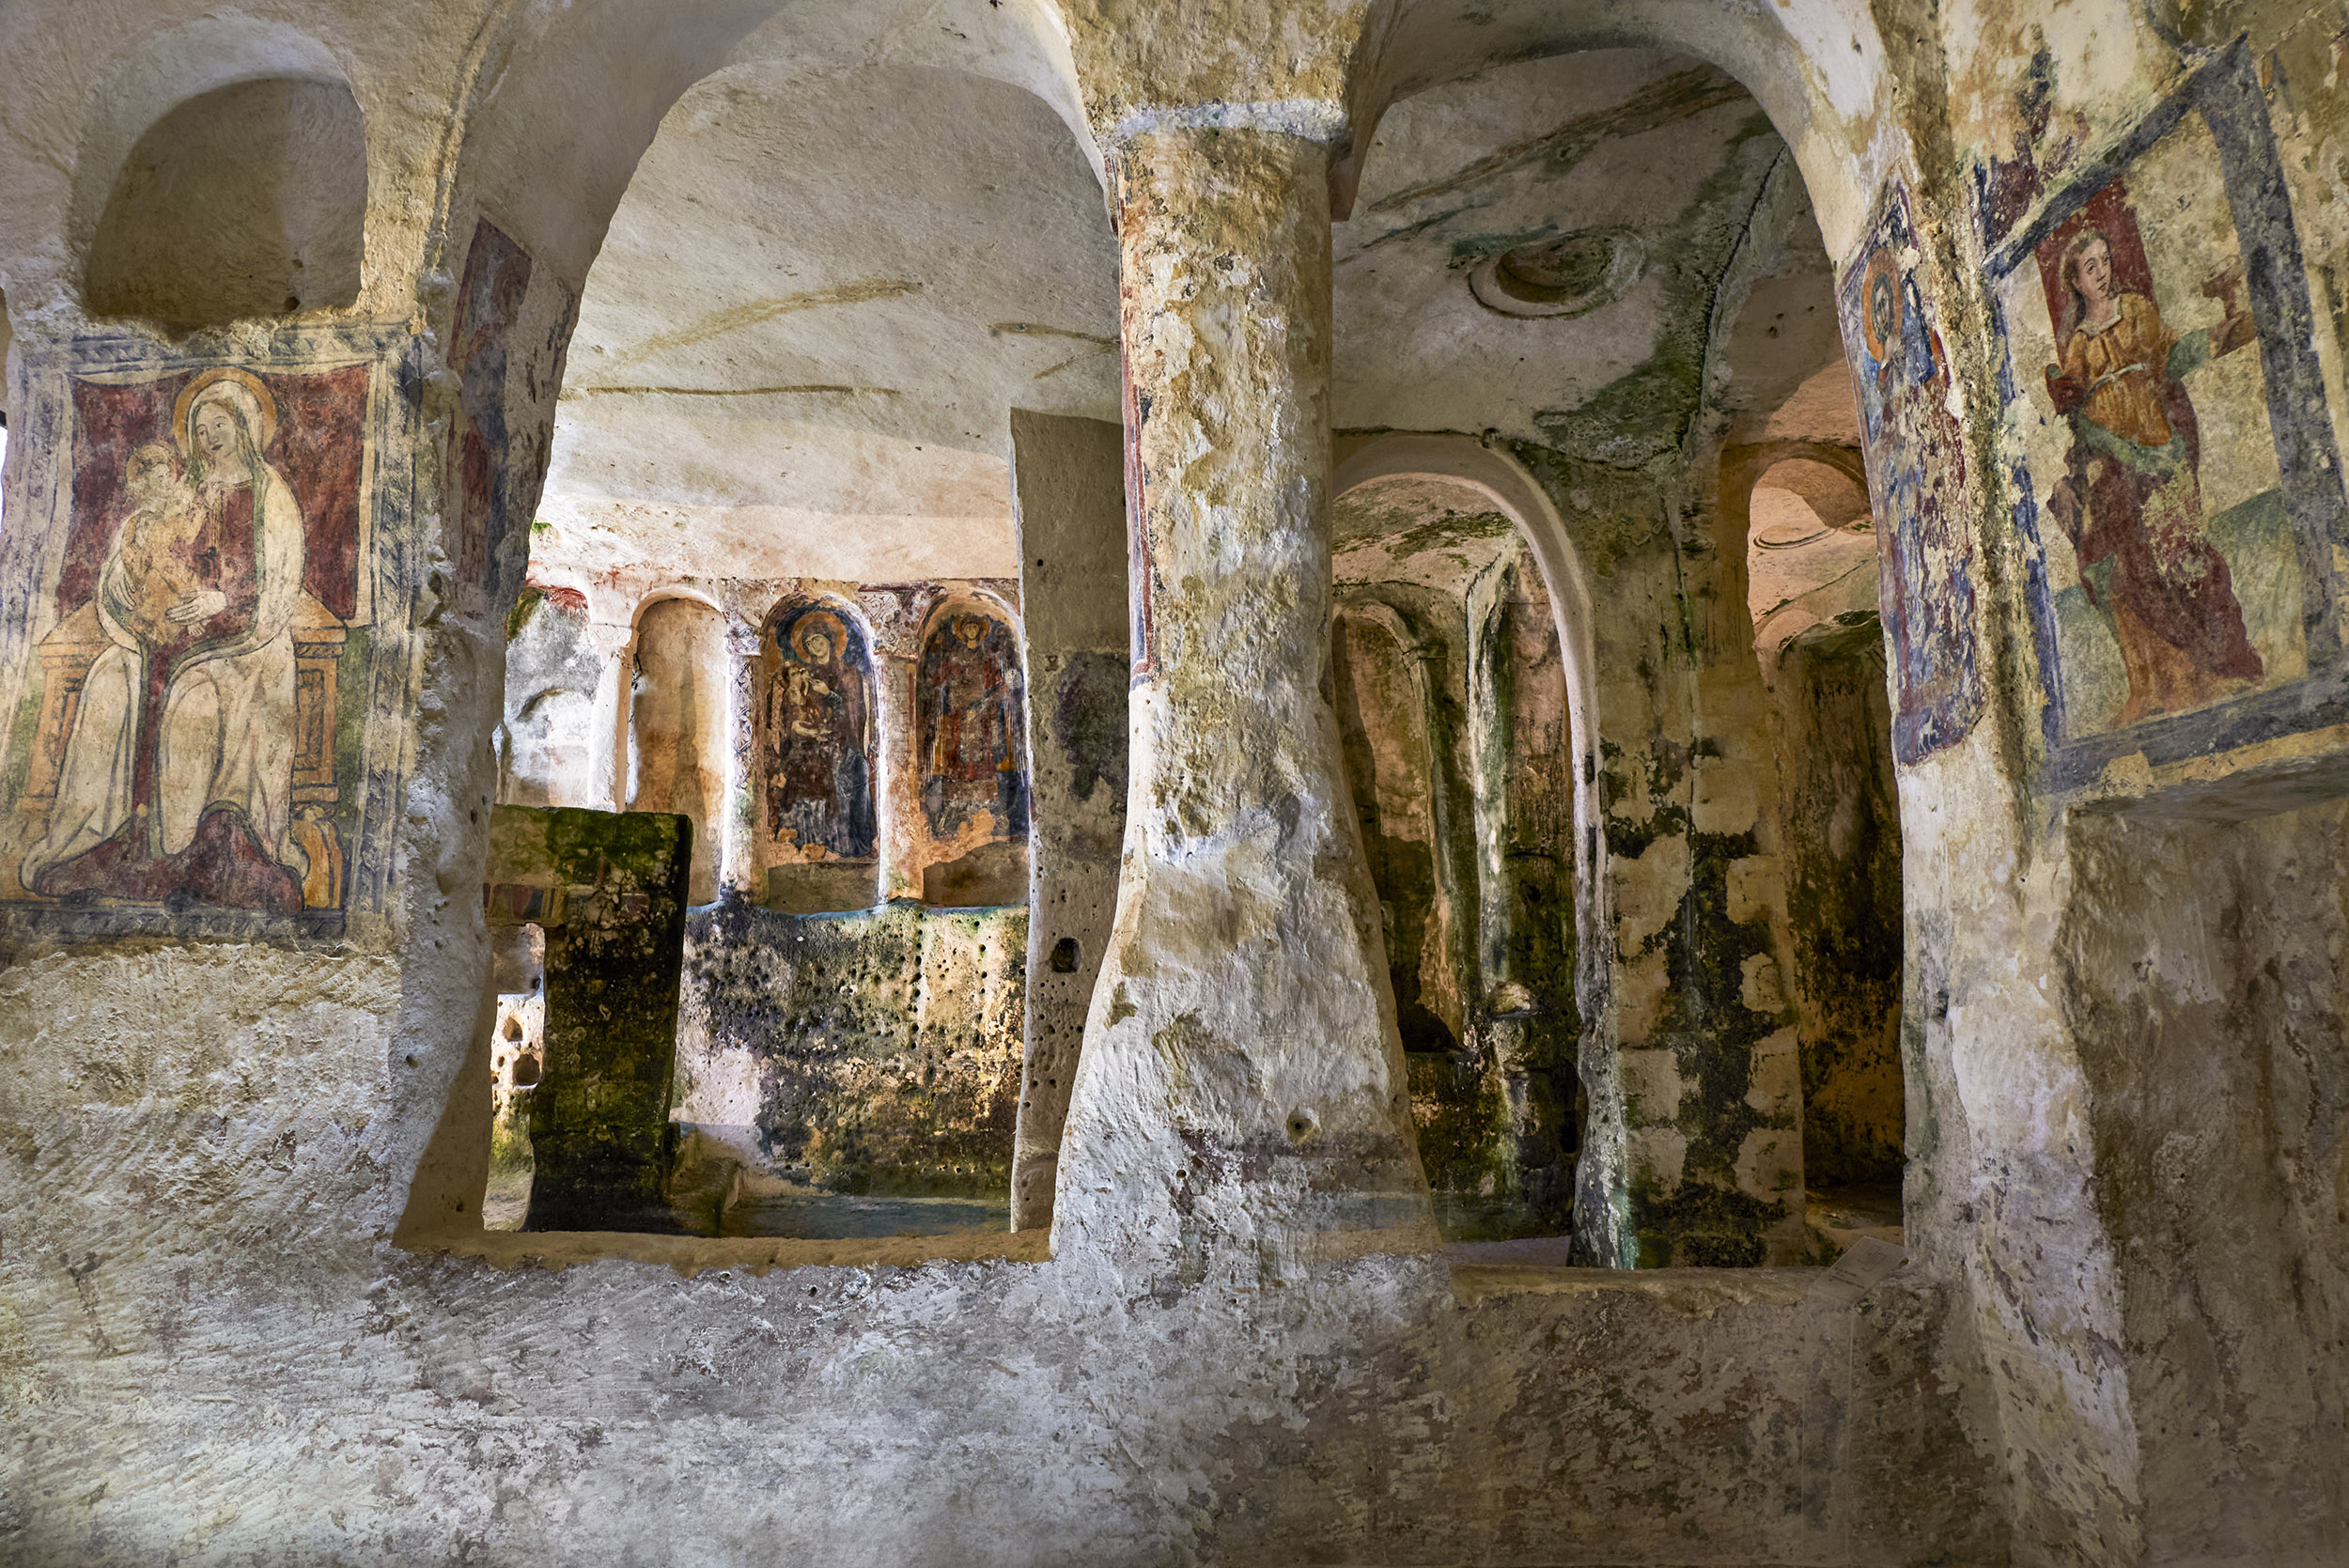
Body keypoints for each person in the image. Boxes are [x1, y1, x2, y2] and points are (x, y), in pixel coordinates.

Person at [2045, 225, 2262, 724]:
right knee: (2114, 568)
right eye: (2090, 267)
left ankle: (2213, 667)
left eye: (2105, 261)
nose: (2103, 272)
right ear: (2076, 281)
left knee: (2181, 555)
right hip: (2110, 464)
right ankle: (2152, 684)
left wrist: (2221, 337)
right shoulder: (2078, 342)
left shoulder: (2138, 311)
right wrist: (2064, 393)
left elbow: (2169, 356)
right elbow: (2076, 408)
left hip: (2155, 450)